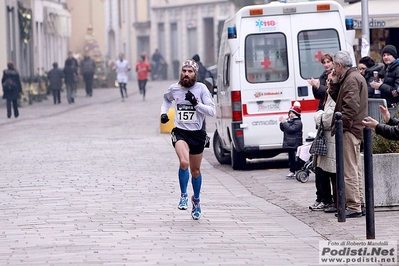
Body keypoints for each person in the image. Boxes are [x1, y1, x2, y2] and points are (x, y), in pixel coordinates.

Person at [160, 59, 216, 220]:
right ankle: (184, 194)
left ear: (195, 74)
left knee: (195, 171)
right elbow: (166, 99)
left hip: (197, 134)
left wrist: (196, 104)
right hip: (180, 132)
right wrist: (164, 114)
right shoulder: (175, 88)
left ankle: (196, 201)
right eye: (184, 71)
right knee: (184, 162)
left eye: (190, 71)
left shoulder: (202, 88)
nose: (186, 74)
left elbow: (211, 111)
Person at [328, 50, 368, 218]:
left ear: (339, 65)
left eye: (335, 68)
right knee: (355, 167)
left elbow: (349, 108)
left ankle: (354, 205)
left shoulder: (351, 79)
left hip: (349, 130)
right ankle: (359, 202)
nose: (333, 72)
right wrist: (335, 84)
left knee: (349, 169)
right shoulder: (353, 77)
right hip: (354, 128)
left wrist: (341, 126)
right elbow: (343, 100)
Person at [309, 92, 337, 212]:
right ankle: (322, 198)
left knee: (330, 172)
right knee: (320, 169)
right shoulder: (326, 96)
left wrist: (318, 114)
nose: (328, 83)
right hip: (324, 138)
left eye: (330, 80)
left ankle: (330, 201)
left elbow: (326, 119)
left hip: (332, 139)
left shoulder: (334, 96)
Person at [279, 101, 303, 178]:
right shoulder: (289, 121)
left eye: (293, 113)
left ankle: (298, 170)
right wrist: (282, 123)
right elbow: (284, 129)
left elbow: (290, 129)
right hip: (289, 143)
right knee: (291, 159)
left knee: (296, 158)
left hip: (295, 143)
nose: (291, 115)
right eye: (290, 113)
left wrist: (284, 123)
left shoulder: (298, 122)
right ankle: (292, 171)